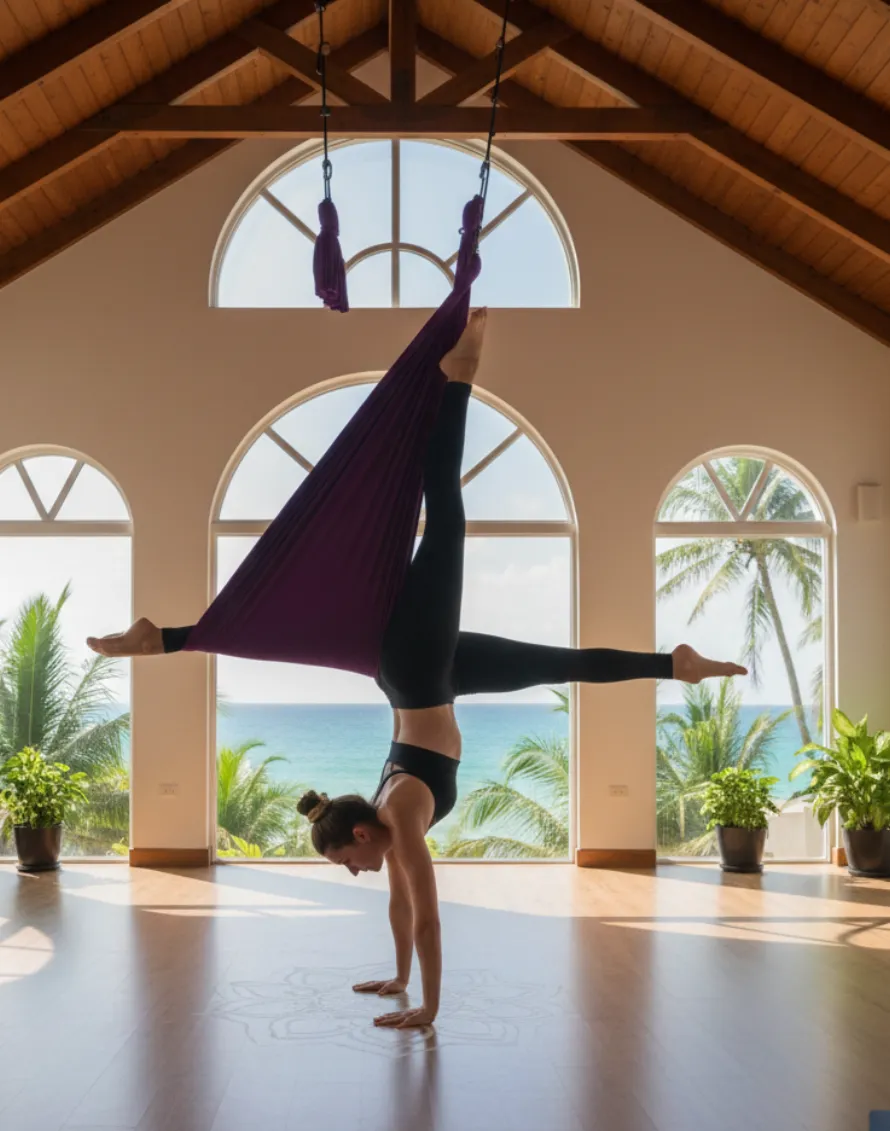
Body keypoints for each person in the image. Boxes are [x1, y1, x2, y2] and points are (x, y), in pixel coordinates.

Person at [88, 308, 746, 1029]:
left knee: (448, 521)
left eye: (346, 862)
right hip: (430, 674)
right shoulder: (386, 818)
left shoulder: (398, 816)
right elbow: (406, 907)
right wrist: (400, 981)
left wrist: (429, 1009)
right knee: (562, 662)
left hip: (418, 665)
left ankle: (459, 378)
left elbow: (429, 915)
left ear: (361, 835)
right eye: (348, 868)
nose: (353, 872)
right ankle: (674, 663)